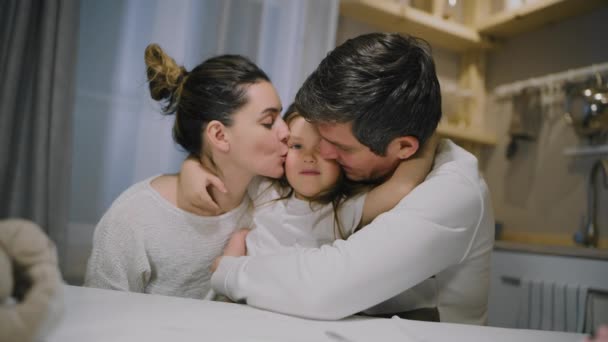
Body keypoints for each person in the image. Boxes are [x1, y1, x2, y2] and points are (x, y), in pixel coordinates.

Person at [207, 33, 495, 325]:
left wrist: (232, 272)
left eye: (341, 148)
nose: (325, 155)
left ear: (404, 147)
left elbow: (326, 288)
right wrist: (198, 166)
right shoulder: (350, 168)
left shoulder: (454, 193)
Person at [84, 43, 290, 299]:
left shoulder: (269, 199)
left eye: (282, 118)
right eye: (269, 122)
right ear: (219, 135)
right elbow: (101, 315)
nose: (286, 132)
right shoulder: (134, 217)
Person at [196, 104, 435, 262]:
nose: (309, 157)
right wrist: (192, 169)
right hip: (245, 297)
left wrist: (429, 132)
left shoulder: (341, 210)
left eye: (322, 149)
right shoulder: (265, 188)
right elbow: (224, 154)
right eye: (296, 146)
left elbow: (403, 187)